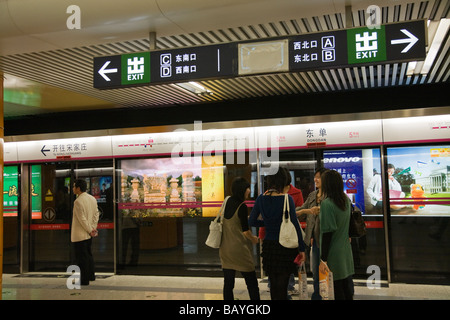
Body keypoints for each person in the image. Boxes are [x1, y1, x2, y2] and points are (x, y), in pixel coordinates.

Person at [249, 168, 305, 300]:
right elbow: (295, 225)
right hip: (284, 248)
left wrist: (268, 224)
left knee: (273, 284)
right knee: (283, 284)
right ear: (282, 182)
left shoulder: (260, 199)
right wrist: (302, 249)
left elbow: (251, 221)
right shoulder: (287, 199)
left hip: (269, 247)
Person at [219, 177, 260, 300]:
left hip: (225, 249)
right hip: (239, 250)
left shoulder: (226, 201)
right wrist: (254, 239)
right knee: (252, 282)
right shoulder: (242, 206)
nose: (249, 191)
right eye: (248, 188)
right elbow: (246, 231)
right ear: (242, 189)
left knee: (228, 283)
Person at [318, 170, 354, 300]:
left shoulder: (327, 204)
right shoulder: (346, 200)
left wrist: (323, 259)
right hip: (345, 250)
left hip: (333, 253)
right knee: (346, 288)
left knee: (336, 289)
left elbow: (327, 233)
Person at [296, 167, 328, 300]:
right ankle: (317, 296)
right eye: (315, 177)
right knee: (315, 271)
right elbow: (302, 210)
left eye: (319, 177)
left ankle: (328, 294)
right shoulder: (312, 195)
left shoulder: (331, 197)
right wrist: (294, 210)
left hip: (327, 239)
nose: (315, 179)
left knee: (327, 271)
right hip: (314, 241)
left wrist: (306, 211)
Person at [71, 179, 99, 286]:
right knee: (88, 255)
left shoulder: (78, 201)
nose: (73, 189)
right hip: (89, 234)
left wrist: (89, 229)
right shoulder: (92, 198)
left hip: (80, 234)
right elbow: (96, 214)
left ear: (78, 188)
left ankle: (84, 279)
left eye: (74, 187)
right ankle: (91, 275)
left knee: (81, 258)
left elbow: (81, 219)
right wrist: (93, 228)